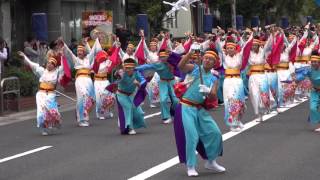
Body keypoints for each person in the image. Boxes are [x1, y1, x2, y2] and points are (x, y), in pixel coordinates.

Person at [174, 49, 225, 177]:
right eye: (206, 58)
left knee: (215, 133)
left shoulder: (215, 77)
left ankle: (211, 161)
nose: (207, 60)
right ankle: (190, 166)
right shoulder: (195, 68)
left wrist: (208, 91)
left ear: (215, 63)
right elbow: (180, 66)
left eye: (211, 59)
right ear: (202, 59)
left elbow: (214, 97)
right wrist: (190, 54)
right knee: (192, 137)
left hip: (199, 109)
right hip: (186, 106)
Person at [18, 51, 63, 136]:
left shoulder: (57, 73)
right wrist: (24, 56)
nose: (49, 65)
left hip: (50, 95)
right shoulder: (42, 71)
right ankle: (43, 129)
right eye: (48, 63)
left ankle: (54, 123)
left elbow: (64, 66)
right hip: (41, 94)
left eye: (51, 63)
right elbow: (32, 64)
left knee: (52, 112)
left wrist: (63, 54)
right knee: (41, 112)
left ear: (54, 66)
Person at [63, 38, 102, 127]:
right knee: (82, 96)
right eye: (78, 51)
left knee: (90, 99)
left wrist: (97, 39)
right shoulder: (76, 60)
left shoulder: (88, 59)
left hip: (88, 80)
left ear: (84, 52)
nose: (79, 52)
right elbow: (69, 52)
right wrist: (63, 44)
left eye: (81, 51)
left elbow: (93, 51)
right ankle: (82, 119)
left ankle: (84, 116)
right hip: (80, 80)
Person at [135, 50, 179, 124]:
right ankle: (166, 117)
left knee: (176, 100)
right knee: (163, 100)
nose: (163, 58)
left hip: (172, 82)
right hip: (163, 82)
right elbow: (147, 66)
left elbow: (181, 60)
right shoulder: (158, 64)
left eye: (164, 56)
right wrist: (136, 68)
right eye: (161, 57)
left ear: (167, 56)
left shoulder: (172, 62)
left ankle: (174, 112)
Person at [115, 58, 147, 135]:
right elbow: (117, 75)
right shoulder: (122, 73)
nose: (128, 70)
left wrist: (138, 84)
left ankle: (126, 123)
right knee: (128, 107)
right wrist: (118, 71)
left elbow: (143, 82)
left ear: (133, 68)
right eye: (126, 68)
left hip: (132, 95)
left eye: (130, 68)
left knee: (138, 112)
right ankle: (130, 128)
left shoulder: (136, 73)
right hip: (121, 94)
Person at [93, 50, 115, 120]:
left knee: (109, 96)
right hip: (97, 81)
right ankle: (99, 113)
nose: (104, 57)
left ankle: (108, 111)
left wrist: (117, 48)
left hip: (105, 81)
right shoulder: (95, 63)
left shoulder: (107, 62)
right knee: (99, 97)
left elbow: (113, 59)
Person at [307, 51, 320, 132]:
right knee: (313, 108)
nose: (313, 63)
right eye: (312, 62)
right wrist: (295, 82)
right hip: (315, 91)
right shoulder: (309, 69)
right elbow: (301, 76)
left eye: (315, 62)